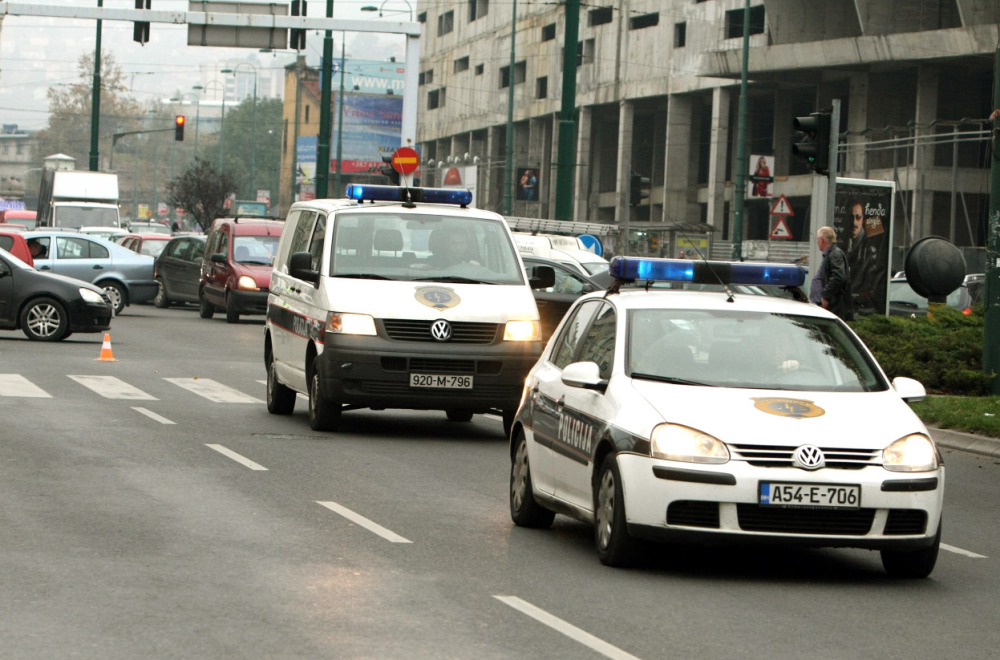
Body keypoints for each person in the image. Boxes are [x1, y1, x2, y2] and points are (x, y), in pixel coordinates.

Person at [812, 226, 854, 321]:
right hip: (829, 306)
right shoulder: (830, 254)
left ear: (822, 240)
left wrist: (826, 296)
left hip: (833, 306)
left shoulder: (835, 254)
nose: (817, 242)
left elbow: (838, 277)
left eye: (818, 240)